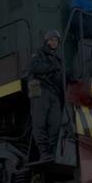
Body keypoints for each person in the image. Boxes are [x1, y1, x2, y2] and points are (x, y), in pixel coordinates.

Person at [28, 29, 65, 162]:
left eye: (56, 40)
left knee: (55, 123)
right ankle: (44, 152)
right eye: (52, 39)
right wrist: (51, 68)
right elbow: (34, 68)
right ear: (46, 41)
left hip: (54, 92)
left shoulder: (58, 59)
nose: (54, 42)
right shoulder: (39, 54)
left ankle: (52, 151)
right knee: (40, 122)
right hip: (40, 89)